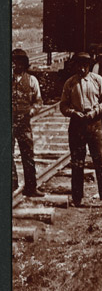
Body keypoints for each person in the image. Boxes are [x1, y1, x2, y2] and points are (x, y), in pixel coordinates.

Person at [59, 51, 102, 207]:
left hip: (94, 124)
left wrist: (95, 112)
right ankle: (77, 198)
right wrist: (73, 112)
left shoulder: (98, 81)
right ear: (75, 66)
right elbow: (63, 105)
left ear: (89, 66)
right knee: (77, 162)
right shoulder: (70, 83)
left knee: (101, 160)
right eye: (79, 65)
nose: (82, 69)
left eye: (85, 66)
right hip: (76, 125)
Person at [12, 48, 42, 197]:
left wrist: (31, 111)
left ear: (24, 64)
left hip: (24, 123)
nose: (16, 65)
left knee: (28, 155)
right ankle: (11, 185)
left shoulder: (31, 80)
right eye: (14, 61)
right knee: (7, 154)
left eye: (19, 62)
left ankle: (31, 188)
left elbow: (38, 101)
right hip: (8, 122)